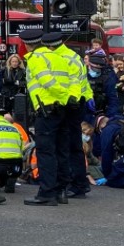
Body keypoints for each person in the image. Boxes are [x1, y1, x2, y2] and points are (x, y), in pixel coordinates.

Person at [20, 26, 71, 207]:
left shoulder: (36, 58)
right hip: (62, 109)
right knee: (61, 150)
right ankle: (61, 191)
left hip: (47, 109)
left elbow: (47, 81)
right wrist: (65, 98)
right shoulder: (58, 57)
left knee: (46, 152)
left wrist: (59, 96)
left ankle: (46, 193)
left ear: (27, 45)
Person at [48, 31, 93, 199]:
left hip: (68, 105)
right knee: (74, 146)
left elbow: (73, 82)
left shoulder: (60, 58)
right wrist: (87, 97)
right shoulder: (74, 56)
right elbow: (83, 82)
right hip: (77, 104)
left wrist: (70, 101)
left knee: (67, 146)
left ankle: (75, 183)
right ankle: (79, 183)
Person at [86, 53, 119, 123]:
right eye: (94, 68)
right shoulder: (83, 73)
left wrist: (108, 117)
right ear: (89, 65)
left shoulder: (108, 76)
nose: (96, 71)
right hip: (85, 112)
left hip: (103, 112)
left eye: (98, 69)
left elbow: (113, 98)